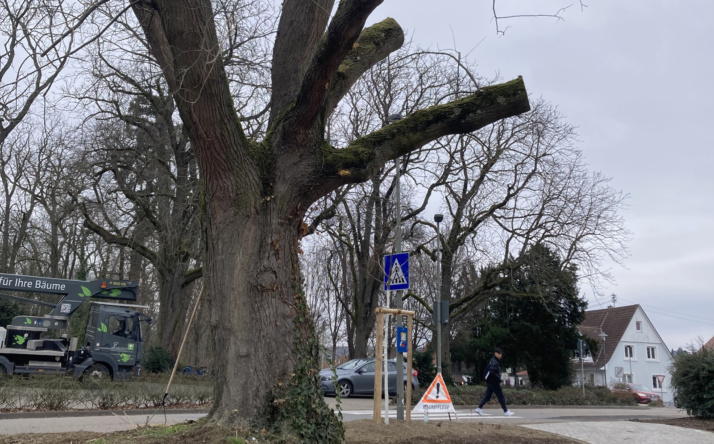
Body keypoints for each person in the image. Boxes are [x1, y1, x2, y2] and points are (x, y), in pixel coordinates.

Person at [475, 347, 514, 416]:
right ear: (496, 353)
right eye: (499, 354)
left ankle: (479, 408)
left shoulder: (493, 361)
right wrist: (499, 379)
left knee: (487, 396)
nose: (500, 355)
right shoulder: (494, 362)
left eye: (501, 354)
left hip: (490, 382)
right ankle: (505, 411)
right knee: (501, 396)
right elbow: (492, 372)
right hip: (494, 382)